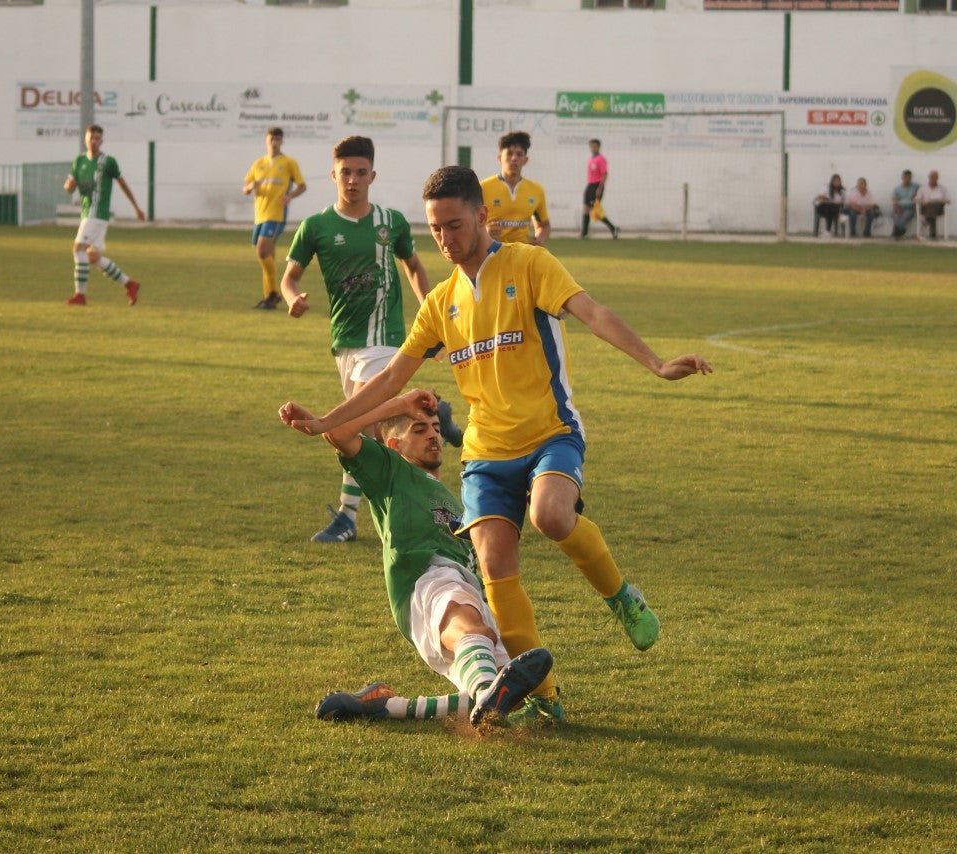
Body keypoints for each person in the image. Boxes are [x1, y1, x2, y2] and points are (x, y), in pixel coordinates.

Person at [282, 165, 713, 725]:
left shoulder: (530, 264)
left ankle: (620, 595)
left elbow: (593, 313)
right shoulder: (441, 301)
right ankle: (546, 698)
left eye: (454, 225)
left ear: (482, 216)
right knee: (493, 565)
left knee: (552, 516)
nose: (444, 239)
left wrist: (655, 363)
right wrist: (324, 421)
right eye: (435, 229)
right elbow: (390, 380)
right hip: (486, 454)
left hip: (550, 432)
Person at [280, 390, 554, 727]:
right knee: (470, 626)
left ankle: (388, 706)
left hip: (467, 588)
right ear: (395, 445)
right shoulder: (391, 470)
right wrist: (398, 405)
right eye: (419, 429)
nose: (434, 436)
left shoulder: (454, 500)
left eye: (436, 428)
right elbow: (338, 434)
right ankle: (486, 692)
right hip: (427, 576)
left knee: (508, 687)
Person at [280, 135, 459, 544]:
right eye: (346, 172)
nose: (353, 179)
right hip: (346, 341)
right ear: (333, 175)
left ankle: (349, 517)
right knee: (360, 428)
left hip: (385, 339)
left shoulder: (390, 222)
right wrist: (292, 299)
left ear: (372, 175)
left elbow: (413, 266)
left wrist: (430, 314)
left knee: (358, 429)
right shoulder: (316, 227)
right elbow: (289, 277)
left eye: (361, 172)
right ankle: (434, 411)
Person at [63, 124, 145, 306]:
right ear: (86, 139)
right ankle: (130, 284)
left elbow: (123, 184)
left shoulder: (108, 162)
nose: (94, 142)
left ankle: (80, 296)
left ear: (102, 141)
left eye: (98, 138)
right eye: (91, 138)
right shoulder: (79, 161)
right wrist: (69, 186)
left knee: (78, 249)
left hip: (97, 213)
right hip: (87, 213)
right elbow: (70, 185)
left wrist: (136, 207)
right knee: (93, 257)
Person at [243, 127, 307, 310]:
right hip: (260, 215)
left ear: (282, 141)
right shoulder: (259, 164)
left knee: (262, 251)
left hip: (276, 214)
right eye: (272, 139)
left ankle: (274, 292)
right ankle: (270, 297)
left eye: (278, 139)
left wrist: (290, 196)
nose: (275, 142)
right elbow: (246, 187)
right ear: (266, 140)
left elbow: (302, 186)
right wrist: (250, 187)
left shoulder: (288, 163)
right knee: (266, 255)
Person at [479, 131, 550, 246]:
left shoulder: (536, 190)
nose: (514, 158)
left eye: (519, 154)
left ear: (525, 160)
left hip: (522, 254)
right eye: (509, 154)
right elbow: (470, 224)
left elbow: (544, 225)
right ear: (499, 158)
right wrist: (485, 231)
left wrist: (540, 238)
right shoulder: (483, 188)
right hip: (491, 252)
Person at [580, 138, 619, 239]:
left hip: (597, 186)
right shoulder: (592, 158)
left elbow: (604, 173)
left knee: (596, 211)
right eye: (591, 146)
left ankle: (613, 228)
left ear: (598, 147)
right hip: (590, 185)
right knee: (585, 209)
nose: (592, 148)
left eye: (594, 146)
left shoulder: (601, 159)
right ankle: (584, 234)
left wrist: (600, 188)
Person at [914, 170, 949, 239]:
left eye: (935, 177)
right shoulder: (923, 188)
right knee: (930, 212)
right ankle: (932, 233)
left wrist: (938, 201)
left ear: (937, 178)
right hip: (925, 207)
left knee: (933, 207)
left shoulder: (942, 189)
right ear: (929, 178)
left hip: (938, 208)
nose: (933, 179)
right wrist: (922, 202)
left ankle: (926, 223)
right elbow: (916, 199)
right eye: (932, 177)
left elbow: (948, 200)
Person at [890, 169, 920, 240]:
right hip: (899, 207)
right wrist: (898, 210)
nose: (907, 179)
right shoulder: (897, 189)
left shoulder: (916, 187)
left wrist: (916, 196)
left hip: (910, 208)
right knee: (896, 215)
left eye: (909, 178)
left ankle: (896, 233)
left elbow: (922, 193)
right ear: (902, 177)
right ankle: (899, 231)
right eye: (905, 177)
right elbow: (895, 201)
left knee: (905, 216)